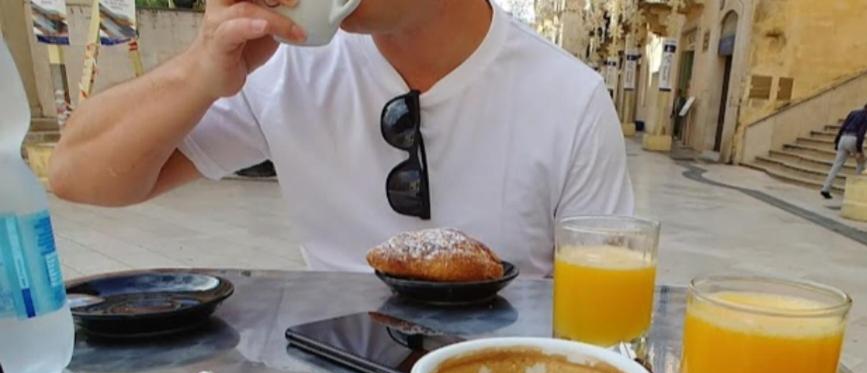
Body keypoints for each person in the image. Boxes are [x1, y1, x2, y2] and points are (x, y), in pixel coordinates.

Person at [49, 0, 633, 275]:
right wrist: (200, 70)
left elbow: (605, 318)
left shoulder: (569, 100)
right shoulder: (286, 69)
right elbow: (76, 173)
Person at [821, 102, 867, 199]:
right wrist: (859, 150)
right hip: (853, 139)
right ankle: (854, 189)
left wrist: (837, 142)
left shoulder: (853, 113)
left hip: (843, 138)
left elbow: (842, 127)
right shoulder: (866, 116)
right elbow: (861, 133)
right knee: (861, 163)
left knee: (836, 165)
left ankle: (826, 188)